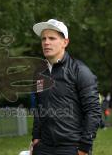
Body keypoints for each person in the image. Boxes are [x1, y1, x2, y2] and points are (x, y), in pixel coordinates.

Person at [30, 19, 101, 155]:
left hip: (72, 147)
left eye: (52, 38)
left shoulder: (80, 71)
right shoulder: (39, 74)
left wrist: (85, 146)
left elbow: (93, 111)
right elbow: (39, 108)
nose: (46, 42)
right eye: (43, 38)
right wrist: (36, 137)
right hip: (44, 146)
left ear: (65, 42)